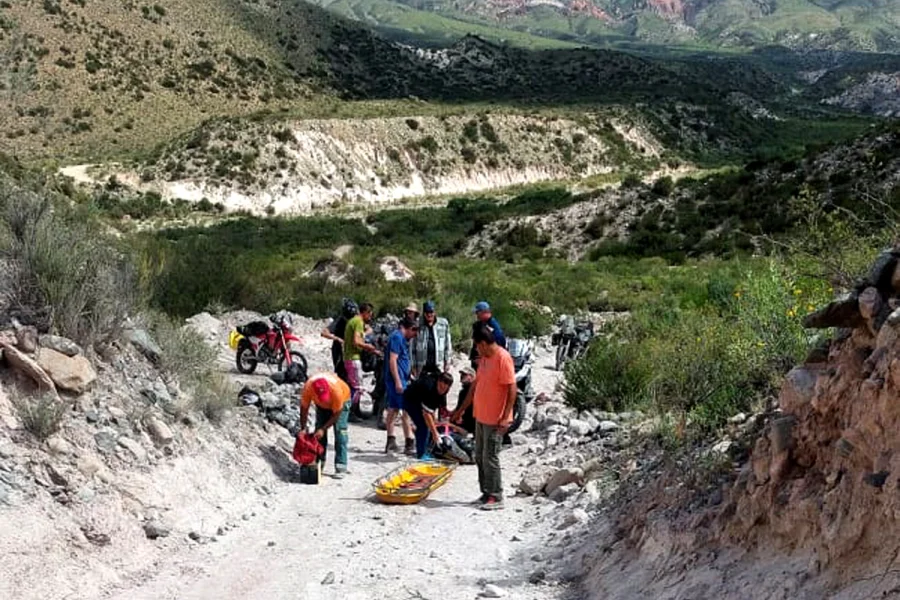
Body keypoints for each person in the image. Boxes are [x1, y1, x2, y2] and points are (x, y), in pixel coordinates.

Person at [453, 323, 516, 510]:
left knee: (491, 457)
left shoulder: (503, 358)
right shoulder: (484, 359)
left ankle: (496, 496)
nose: (477, 350)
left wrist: (505, 418)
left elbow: (512, 389)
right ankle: (486, 492)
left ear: (484, 343)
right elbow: (474, 387)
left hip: (496, 419)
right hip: (481, 416)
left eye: (478, 346)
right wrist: (461, 410)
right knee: (480, 456)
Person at [299, 372, 351, 478]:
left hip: (343, 401)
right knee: (318, 435)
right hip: (321, 406)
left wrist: (324, 429)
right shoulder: (308, 388)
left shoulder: (336, 391)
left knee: (340, 431)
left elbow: (337, 413)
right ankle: (319, 463)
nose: (325, 399)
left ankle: (341, 466)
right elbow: (304, 408)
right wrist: (303, 428)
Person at [384, 316, 418, 455]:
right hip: (396, 381)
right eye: (414, 333)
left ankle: (391, 440)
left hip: (402, 378)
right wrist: (398, 381)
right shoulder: (397, 338)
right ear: (410, 329)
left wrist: (408, 373)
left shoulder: (400, 339)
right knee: (405, 410)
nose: (414, 336)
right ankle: (409, 441)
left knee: (394, 409)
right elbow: (393, 360)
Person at [343, 302, 380, 422]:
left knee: (353, 386)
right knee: (357, 387)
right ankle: (350, 412)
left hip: (348, 358)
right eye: (370, 314)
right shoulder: (358, 322)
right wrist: (368, 347)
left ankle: (353, 411)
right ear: (365, 312)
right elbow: (356, 341)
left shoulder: (352, 321)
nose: (370, 317)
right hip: (353, 358)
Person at [403, 371, 453, 459]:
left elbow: (433, 409)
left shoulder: (444, 391)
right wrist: (435, 434)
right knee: (423, 426)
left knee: (430, 425)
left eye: (445, 388)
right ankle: (421, 454)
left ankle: (427, 448)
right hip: (410, 400)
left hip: (422, 401)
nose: (442, 390)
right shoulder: (429, 388)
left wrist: (434, 424)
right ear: (438, 381)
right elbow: (426, 414)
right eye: (441, 387)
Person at [411, 300, 452, 380]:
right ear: (424, 313)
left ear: (435, 312)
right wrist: (413, 365)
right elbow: (412, 347)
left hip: (438, 365)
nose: (429, 315)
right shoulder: (417, 324)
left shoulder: (443, 324)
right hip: (422, 366)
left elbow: (447, 344)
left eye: (431, 312)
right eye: (427, 313)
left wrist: (447, 361)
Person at [320, 298, 357, 384]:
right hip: (340, 352)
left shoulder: (356, 320)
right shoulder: (339, 321)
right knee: (342, 374)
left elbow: (368, 328)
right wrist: (337, 339)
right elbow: (324, 332)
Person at [469, 301, 506, 369]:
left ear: (484, 312)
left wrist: (484, 360)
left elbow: (498, 345)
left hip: (488, 365)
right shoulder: (481, 324)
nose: (476, 315)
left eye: (477, 313)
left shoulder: (493, 326)